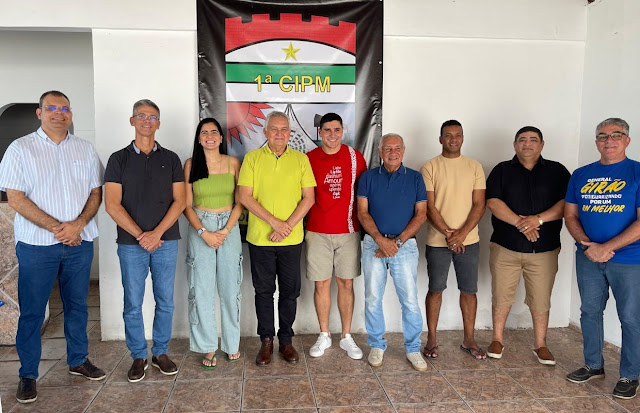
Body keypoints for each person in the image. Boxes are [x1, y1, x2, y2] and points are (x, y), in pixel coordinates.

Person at [0, 90, 106, 404]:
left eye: (64, 108)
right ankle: (28, 374)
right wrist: (59, 229)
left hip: (79, 243)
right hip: (37, 246)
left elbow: (96, 193)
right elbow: (15, 198)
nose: (59, 113)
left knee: (77, 306)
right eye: (52, 108)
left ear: (71, 113)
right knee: (32, 312)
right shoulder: (20, 149)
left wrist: (78, 225)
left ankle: (78, 360)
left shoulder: (85, 149)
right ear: (39, 112)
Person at [104, 99, 186, 382]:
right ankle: (138, 355)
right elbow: (112, 204)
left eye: (152, 117)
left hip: (166, 241)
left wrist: (157, 233)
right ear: (132, 121)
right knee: (132, 303)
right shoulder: (118, 159)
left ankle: (160, 352)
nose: (147, 121)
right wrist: (142, 235)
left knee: (165, 301)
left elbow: (180, 201)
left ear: (159, 124)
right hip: (131, 244)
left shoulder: (171, 159)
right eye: (141, 115)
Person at [564, 118, 640, 399]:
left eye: (616, 135)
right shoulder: (581, 174)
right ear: (596, 141)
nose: (609, 140)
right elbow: (570, 215)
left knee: (630, 318)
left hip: (629, 259)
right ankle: (593, 365)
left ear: (627, 140)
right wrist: (588, 246)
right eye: (602, 136)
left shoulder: (637, 172)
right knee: (590, 312)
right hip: (588, 257)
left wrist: (606, 247)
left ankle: (630, 375)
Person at [485, 126, 570, 365]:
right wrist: (522, 223)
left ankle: (541, 344)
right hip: (506, 246)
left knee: (541, 298)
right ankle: (497, 339)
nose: (527, 144)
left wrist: (538, 220)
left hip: (544, 249)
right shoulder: (502, 170)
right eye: (522, 139)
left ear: (542, 144)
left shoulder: (557, 171)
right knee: (501, 295)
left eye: (533, 139)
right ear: (515, 145)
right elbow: (493, 202)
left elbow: (568, 203)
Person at [237, 111, 316, 366]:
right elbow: (244, 196)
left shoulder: (301, 159)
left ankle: (286, 341)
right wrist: (275, 223)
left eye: (284, 129)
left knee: (290, 292)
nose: (279, 133)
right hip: (260, 239)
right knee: (264, 291)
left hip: (291, 240)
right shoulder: (252, 158)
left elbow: (309, 198)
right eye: (274, 129)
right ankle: (266, 341)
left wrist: (287, 227)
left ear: (290, 132)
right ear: (265, 132)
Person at [357, 133, 428, 371]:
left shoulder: (415, 178)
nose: (392, 152)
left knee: (410, 300)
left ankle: (413, 348)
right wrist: (380, 240)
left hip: (404, 246)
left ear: (403, 151)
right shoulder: (368, 177)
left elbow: (421, 214)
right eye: (387, 148)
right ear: (380, 152)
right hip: (373, 244)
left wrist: (395, 243)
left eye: (397, 148)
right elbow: (362, 212)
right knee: (372, 298)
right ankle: (377, 344)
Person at [420, 120, 486, 360]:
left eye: (458, 135)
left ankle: (469, 339)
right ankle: (432, 339)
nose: (453, 139)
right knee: (435, 289)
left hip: (469, 241)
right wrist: (449, 234)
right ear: (440, 139)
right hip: (438, 241)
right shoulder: (430, 167)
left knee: (469, 290)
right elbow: (429, 206)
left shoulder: (474, 166)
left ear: (463, 138)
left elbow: (479, 205)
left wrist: (461, 234)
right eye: (448, 135)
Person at [183, 117, 244, 369]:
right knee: (202, 290)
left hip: (229, 226)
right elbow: (186, 205)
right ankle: (208, 346)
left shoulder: (233, 163)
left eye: (214, 132)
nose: (209, 136)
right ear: (199, 139)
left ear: (221, 137)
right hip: (200, 226)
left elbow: (241, 201)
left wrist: (225, 230)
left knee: (231, 289)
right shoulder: (191, 165)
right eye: (204, 132)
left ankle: (231, 343)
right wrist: (204, 232)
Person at [305, 113, 367, 360]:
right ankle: (324, 334)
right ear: (320, 132)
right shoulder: (309, 158)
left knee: (346, 283)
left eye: (337, 130)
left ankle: (346, 336)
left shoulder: (355, 157)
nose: (332, 134)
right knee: (321, 284)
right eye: (327, 130)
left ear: (343, 131)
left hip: (348, 230)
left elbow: (364, 194)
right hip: (317, 230)